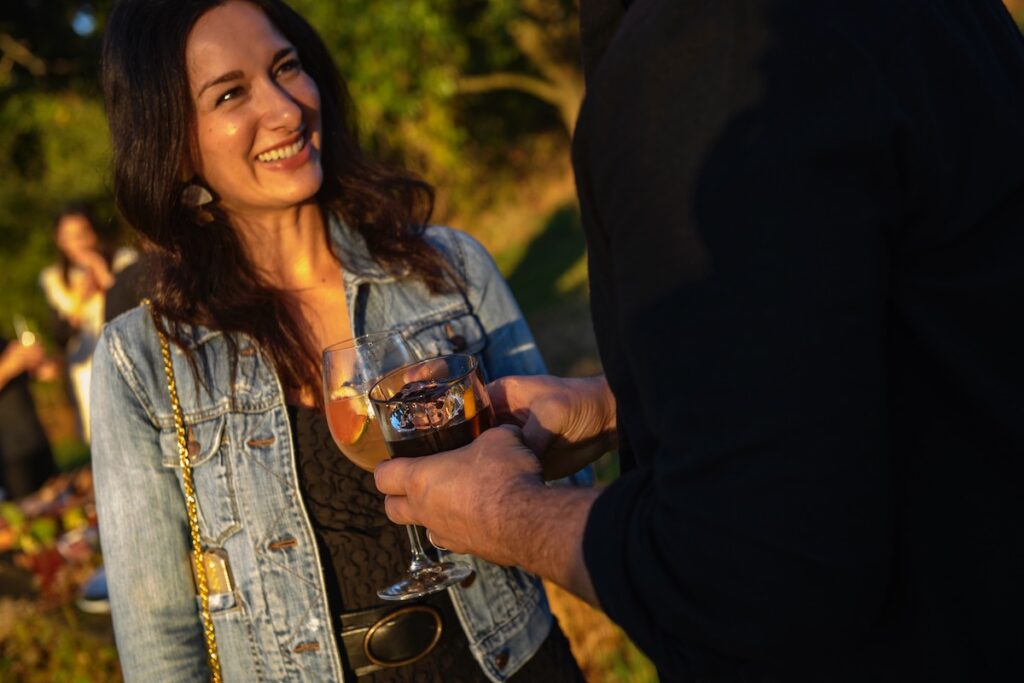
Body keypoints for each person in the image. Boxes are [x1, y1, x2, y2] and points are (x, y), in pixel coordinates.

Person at [374, 1, 1024, 681]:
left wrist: (506, 513)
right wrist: (621, 404)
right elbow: (912, 328)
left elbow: (753, 576)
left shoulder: (703, 51)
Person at [91, 1, 586, 680]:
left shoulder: (447, 268)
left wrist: (502, 438)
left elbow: (575, 476)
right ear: (174, 145)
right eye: (231, 93)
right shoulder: (144, 359)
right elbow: (159, 641)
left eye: (286, 66)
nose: (287, 109)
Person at [39, 204, 137, 441]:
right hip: (87, 369)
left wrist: (103, 275)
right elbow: (60, 337)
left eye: (82, 233)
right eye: (69, 237)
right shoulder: (54, 280)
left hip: (129, 356)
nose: (78, 243)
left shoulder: (124, 261)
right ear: (59, 241)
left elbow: (133, 309)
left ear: (94, 232)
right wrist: (79, 300)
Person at [0, 335, 57, 500]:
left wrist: (40, 365)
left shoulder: (3, 340)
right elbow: (11, 365)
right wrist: (9, 365)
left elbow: (40, 372)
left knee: (59, 504)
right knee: (29, 517)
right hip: (10, 454)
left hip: (36, 437)